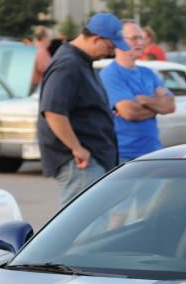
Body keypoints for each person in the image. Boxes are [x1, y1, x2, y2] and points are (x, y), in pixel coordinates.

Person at [38, 12, 129, 205]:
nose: (111, 53)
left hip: (92, 157)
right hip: (81, 162)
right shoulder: (68, 64)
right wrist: (77, 148)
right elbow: (53, 112)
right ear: (96, 39)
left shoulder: (81, 61)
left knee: (96, 217)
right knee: (82, 221)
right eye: (110, 47)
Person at [99, 20, 175, 163]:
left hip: (153, 153)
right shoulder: (110, 74)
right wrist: (157, 105)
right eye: (134, 38)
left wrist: (142, 100)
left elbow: (170, 106)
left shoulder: (148, 72)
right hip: (123, 156)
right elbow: (130, 112)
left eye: (142, 38)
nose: (140, 42)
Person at [30, 25, 52, 93]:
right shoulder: (41, 51)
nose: (50, 40)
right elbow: (46, 70)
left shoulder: (34, 48)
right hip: (37, 87)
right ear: (44, 37)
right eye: (49, 36)